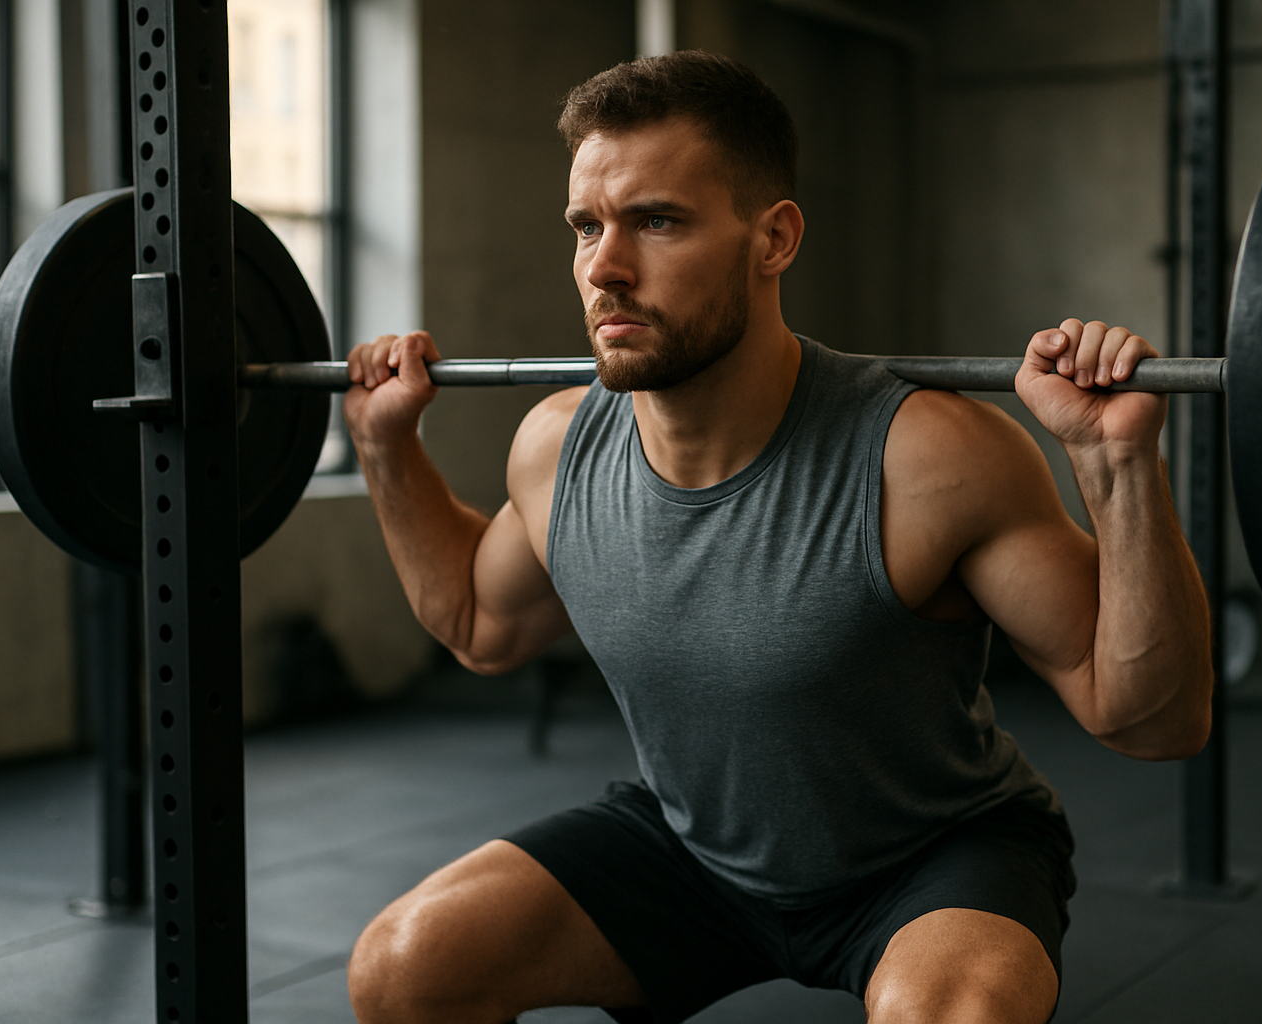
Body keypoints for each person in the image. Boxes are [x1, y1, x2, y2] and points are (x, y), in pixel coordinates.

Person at [342, 51, 1211, 1024]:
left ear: (775, 237)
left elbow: (1151, 719)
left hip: (928, 858)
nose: (603, 267)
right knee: (402, 969)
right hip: (690, 849)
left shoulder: (926, 457)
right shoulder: (557, 450)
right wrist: (384, 445)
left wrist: (1117, 465)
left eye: (657, 220)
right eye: (587, 225)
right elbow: (476, 623)